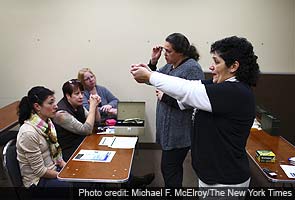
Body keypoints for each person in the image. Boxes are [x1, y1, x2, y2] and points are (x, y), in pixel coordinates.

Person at [131, 36, 260, 197]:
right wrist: (150, 71)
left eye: (217, 62)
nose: (211, 67)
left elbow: (187, 91)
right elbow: (188, 86)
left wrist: (150, 76)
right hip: (212, 175)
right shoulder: (221, 86)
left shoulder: (235, 91)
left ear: (234, 66)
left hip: (225, 179)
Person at [146, 33, 204, 187]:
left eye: (168, 51)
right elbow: (151, 79)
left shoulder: (192, 68)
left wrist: (165, 98)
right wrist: (153, 61)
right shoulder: (171, 66)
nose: (165, 53)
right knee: (170, 169)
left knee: (170, 170)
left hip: (180, 133)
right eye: (164, 50)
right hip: (168, 130)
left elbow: (194, 101)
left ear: (181, 52)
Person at [17, 86, 71, 189]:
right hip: (38, 181)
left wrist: (67, 168)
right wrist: (65, 175)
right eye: (50, 103)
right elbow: (40, 171)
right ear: (37, 106)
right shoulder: (28, 133)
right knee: (78, 187)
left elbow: (58, 158)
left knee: (82, 178)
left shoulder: (48, 123)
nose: (56, 106)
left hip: (54, 170)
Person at [53, 79, 101, 161]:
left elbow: (97, 121)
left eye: (82, 93)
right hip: (69, 151)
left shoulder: (78, 105)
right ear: (68, 95)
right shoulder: (61, 114)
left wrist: (95, 106)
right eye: (77, 94)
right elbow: (86, 130)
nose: (81, 96)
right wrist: (92, 107)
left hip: (82, 144)